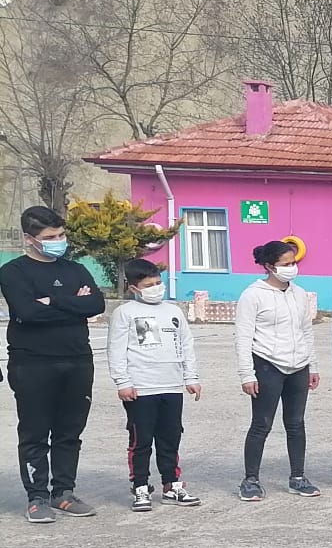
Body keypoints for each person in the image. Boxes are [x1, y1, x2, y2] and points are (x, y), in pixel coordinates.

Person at [1, 206, 105, 521]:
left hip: (77, 361)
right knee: (34, 432)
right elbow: (28, 314)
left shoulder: (75, 270)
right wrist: (75, 304)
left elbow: (96, 304)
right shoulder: (13, 272)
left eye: (61, 235)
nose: (58, 241)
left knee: (69, 431)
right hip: (32, 364)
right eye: (50, 237)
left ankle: (64, 492)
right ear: (30, 238)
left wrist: (55, 301)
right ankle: (37, 498)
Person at [107, 258, 201, 511]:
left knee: (170, 437)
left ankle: (172, 485)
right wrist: (123, 381)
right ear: (134, 288)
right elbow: (116, 350)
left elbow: (186, 344)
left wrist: (190, 377)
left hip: (171, 386)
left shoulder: (173, 311)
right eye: (149, 284)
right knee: (142, 441)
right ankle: (140, 487)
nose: (156, 288)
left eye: (158, 283)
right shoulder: (125, 313)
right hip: (141, 388)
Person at [236, 239, 321, 501]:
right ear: (269, 266)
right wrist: (247, 374)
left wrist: (312, 365)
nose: (292, 268)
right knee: (261, 424)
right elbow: (242, 337)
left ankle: (297, 477)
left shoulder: (298, 293)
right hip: (267, 364)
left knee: (296, 424)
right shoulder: (253, 295)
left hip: (298, 366)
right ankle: (250, 480)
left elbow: (305, 330)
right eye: (286, 264)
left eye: (294, 263)